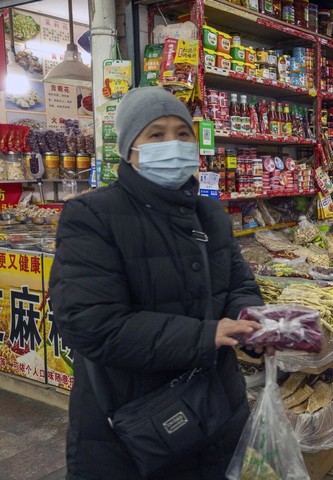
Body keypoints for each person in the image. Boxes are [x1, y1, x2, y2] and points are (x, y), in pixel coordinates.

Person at [49, 87, 265, 479]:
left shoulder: (210, 214)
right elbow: (89, 324)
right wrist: (206, 335)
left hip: (215, 409)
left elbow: (239, 285)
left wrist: (255, 321)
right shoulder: (92, 216)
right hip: (132, 423)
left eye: (183, 134)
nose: (173, 144)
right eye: (156, 134)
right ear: (129, 148)